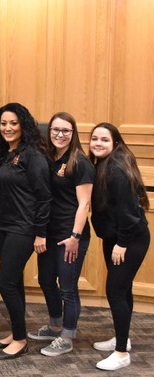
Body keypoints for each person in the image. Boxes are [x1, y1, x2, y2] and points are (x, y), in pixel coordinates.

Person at [27, 112, 95, 357]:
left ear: (73, 133)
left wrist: (75, 237)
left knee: (67, 288)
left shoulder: (80, 162)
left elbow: (84, 204)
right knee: (46, 280)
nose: (59, 134)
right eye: (55, 129)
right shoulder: (49, 158)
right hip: (48, 233)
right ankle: (55, 324)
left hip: (70, 236)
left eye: (66, 130)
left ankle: (67, 336)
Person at [0, 102, 51, 359]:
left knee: (5, 282)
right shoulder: (5, 153)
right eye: (3, 123)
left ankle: (21, 340)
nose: (8, 128)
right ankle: (17, 332)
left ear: (24, 125)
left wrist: (40, 232)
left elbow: (44, 197)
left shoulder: (33, 155)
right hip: (2, 226)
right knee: (14, 281)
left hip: (23, 228)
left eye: (13, 123)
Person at [88, 122, 150, 371]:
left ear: (115, 143)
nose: (98, 143)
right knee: (123, 291)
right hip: (117, 238)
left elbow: (129, 213)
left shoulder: (115, 170)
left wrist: (122, 243)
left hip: (129, 239)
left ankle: (122, 353)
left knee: (115, 291)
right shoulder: (104, 165)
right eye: (94, 139)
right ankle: (122, 336)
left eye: (104, 139)